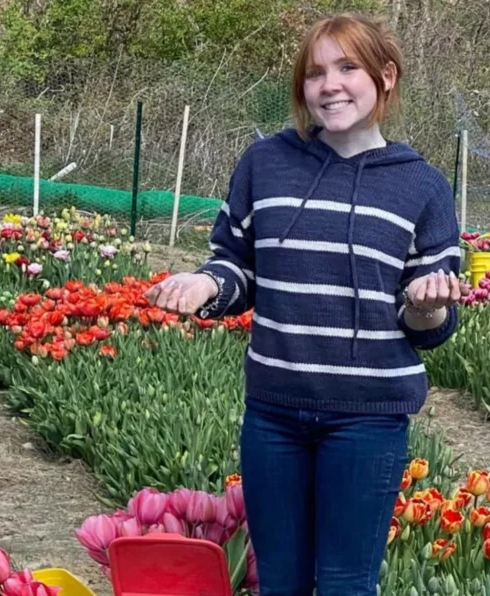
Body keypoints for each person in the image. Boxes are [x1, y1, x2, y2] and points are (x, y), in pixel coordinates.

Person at [145, 13, 468, 596]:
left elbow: (428, 326)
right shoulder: (265, 163)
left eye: (348, 67)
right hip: (274, 414)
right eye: (315, 72)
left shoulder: (422, 186)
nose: (330, 84)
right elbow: (236, 264)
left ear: (384, 76)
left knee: (346, 583)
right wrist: (206, 287)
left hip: (367, 418)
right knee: (281, 582)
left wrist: (427, 304)